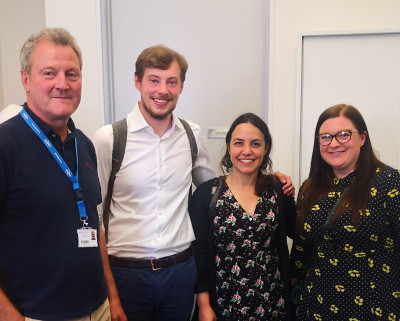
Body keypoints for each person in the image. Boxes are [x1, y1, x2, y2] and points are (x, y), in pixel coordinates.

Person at [93, 45, 294, 321]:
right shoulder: (109, 139)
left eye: (171, 82)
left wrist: (267, 179)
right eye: (154, 80)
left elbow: (218, 192)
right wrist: (110, 295)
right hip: (127, 274)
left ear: (181, 87)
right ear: (138, 81)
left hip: (180, 273)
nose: (163, 90)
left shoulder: (191, 135)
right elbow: (94, 220)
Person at [0, 27, 124, 321]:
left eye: (72, 74)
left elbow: (94, 226)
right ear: (26, 80)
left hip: (99, 309)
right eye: (49, 73)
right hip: (36, 314)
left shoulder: (84, 145)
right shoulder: (5, 145)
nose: (62, 84)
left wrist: (113, 300)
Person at [290, 104, 400, 320]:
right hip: (315, 308)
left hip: (373, 309)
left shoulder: (391, 183)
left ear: (362, 138)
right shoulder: (310, 187)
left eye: (344, 135)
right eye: (326, 137)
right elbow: (300, 252)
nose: (334, 144)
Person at [189, 113, 296, 321]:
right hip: (224, 304)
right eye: (239, 143)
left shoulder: (278, 191)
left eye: (255, 144)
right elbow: (199, 255)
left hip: (272, 305)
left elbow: (298, 234)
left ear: (265, 149)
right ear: (229, 148)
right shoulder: (206, 195)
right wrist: (203, 306)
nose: (247, 151)